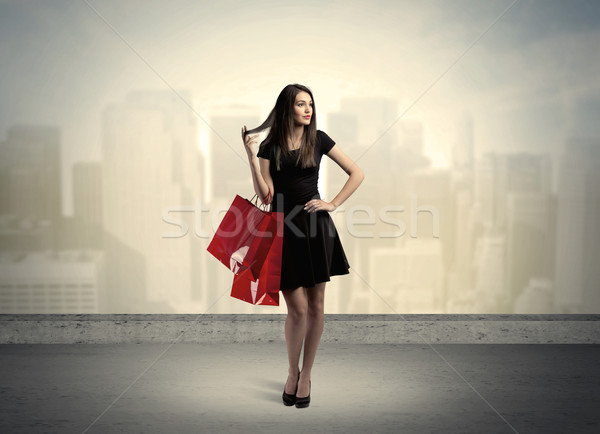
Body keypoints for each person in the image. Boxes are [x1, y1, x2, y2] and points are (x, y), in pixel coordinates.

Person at [242, 83, 364, 408]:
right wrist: (252, 161)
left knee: (317, 307)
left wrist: (332, 203)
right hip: (283, 230)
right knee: (296, 309)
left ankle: (306, 375)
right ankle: (291, 372)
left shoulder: (319, 138)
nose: (307, 109)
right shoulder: (270, 145)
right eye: (300, 104)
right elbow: (266, 196)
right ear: (287, 108)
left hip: (315, 228)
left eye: (310, 103)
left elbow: (357, 172)